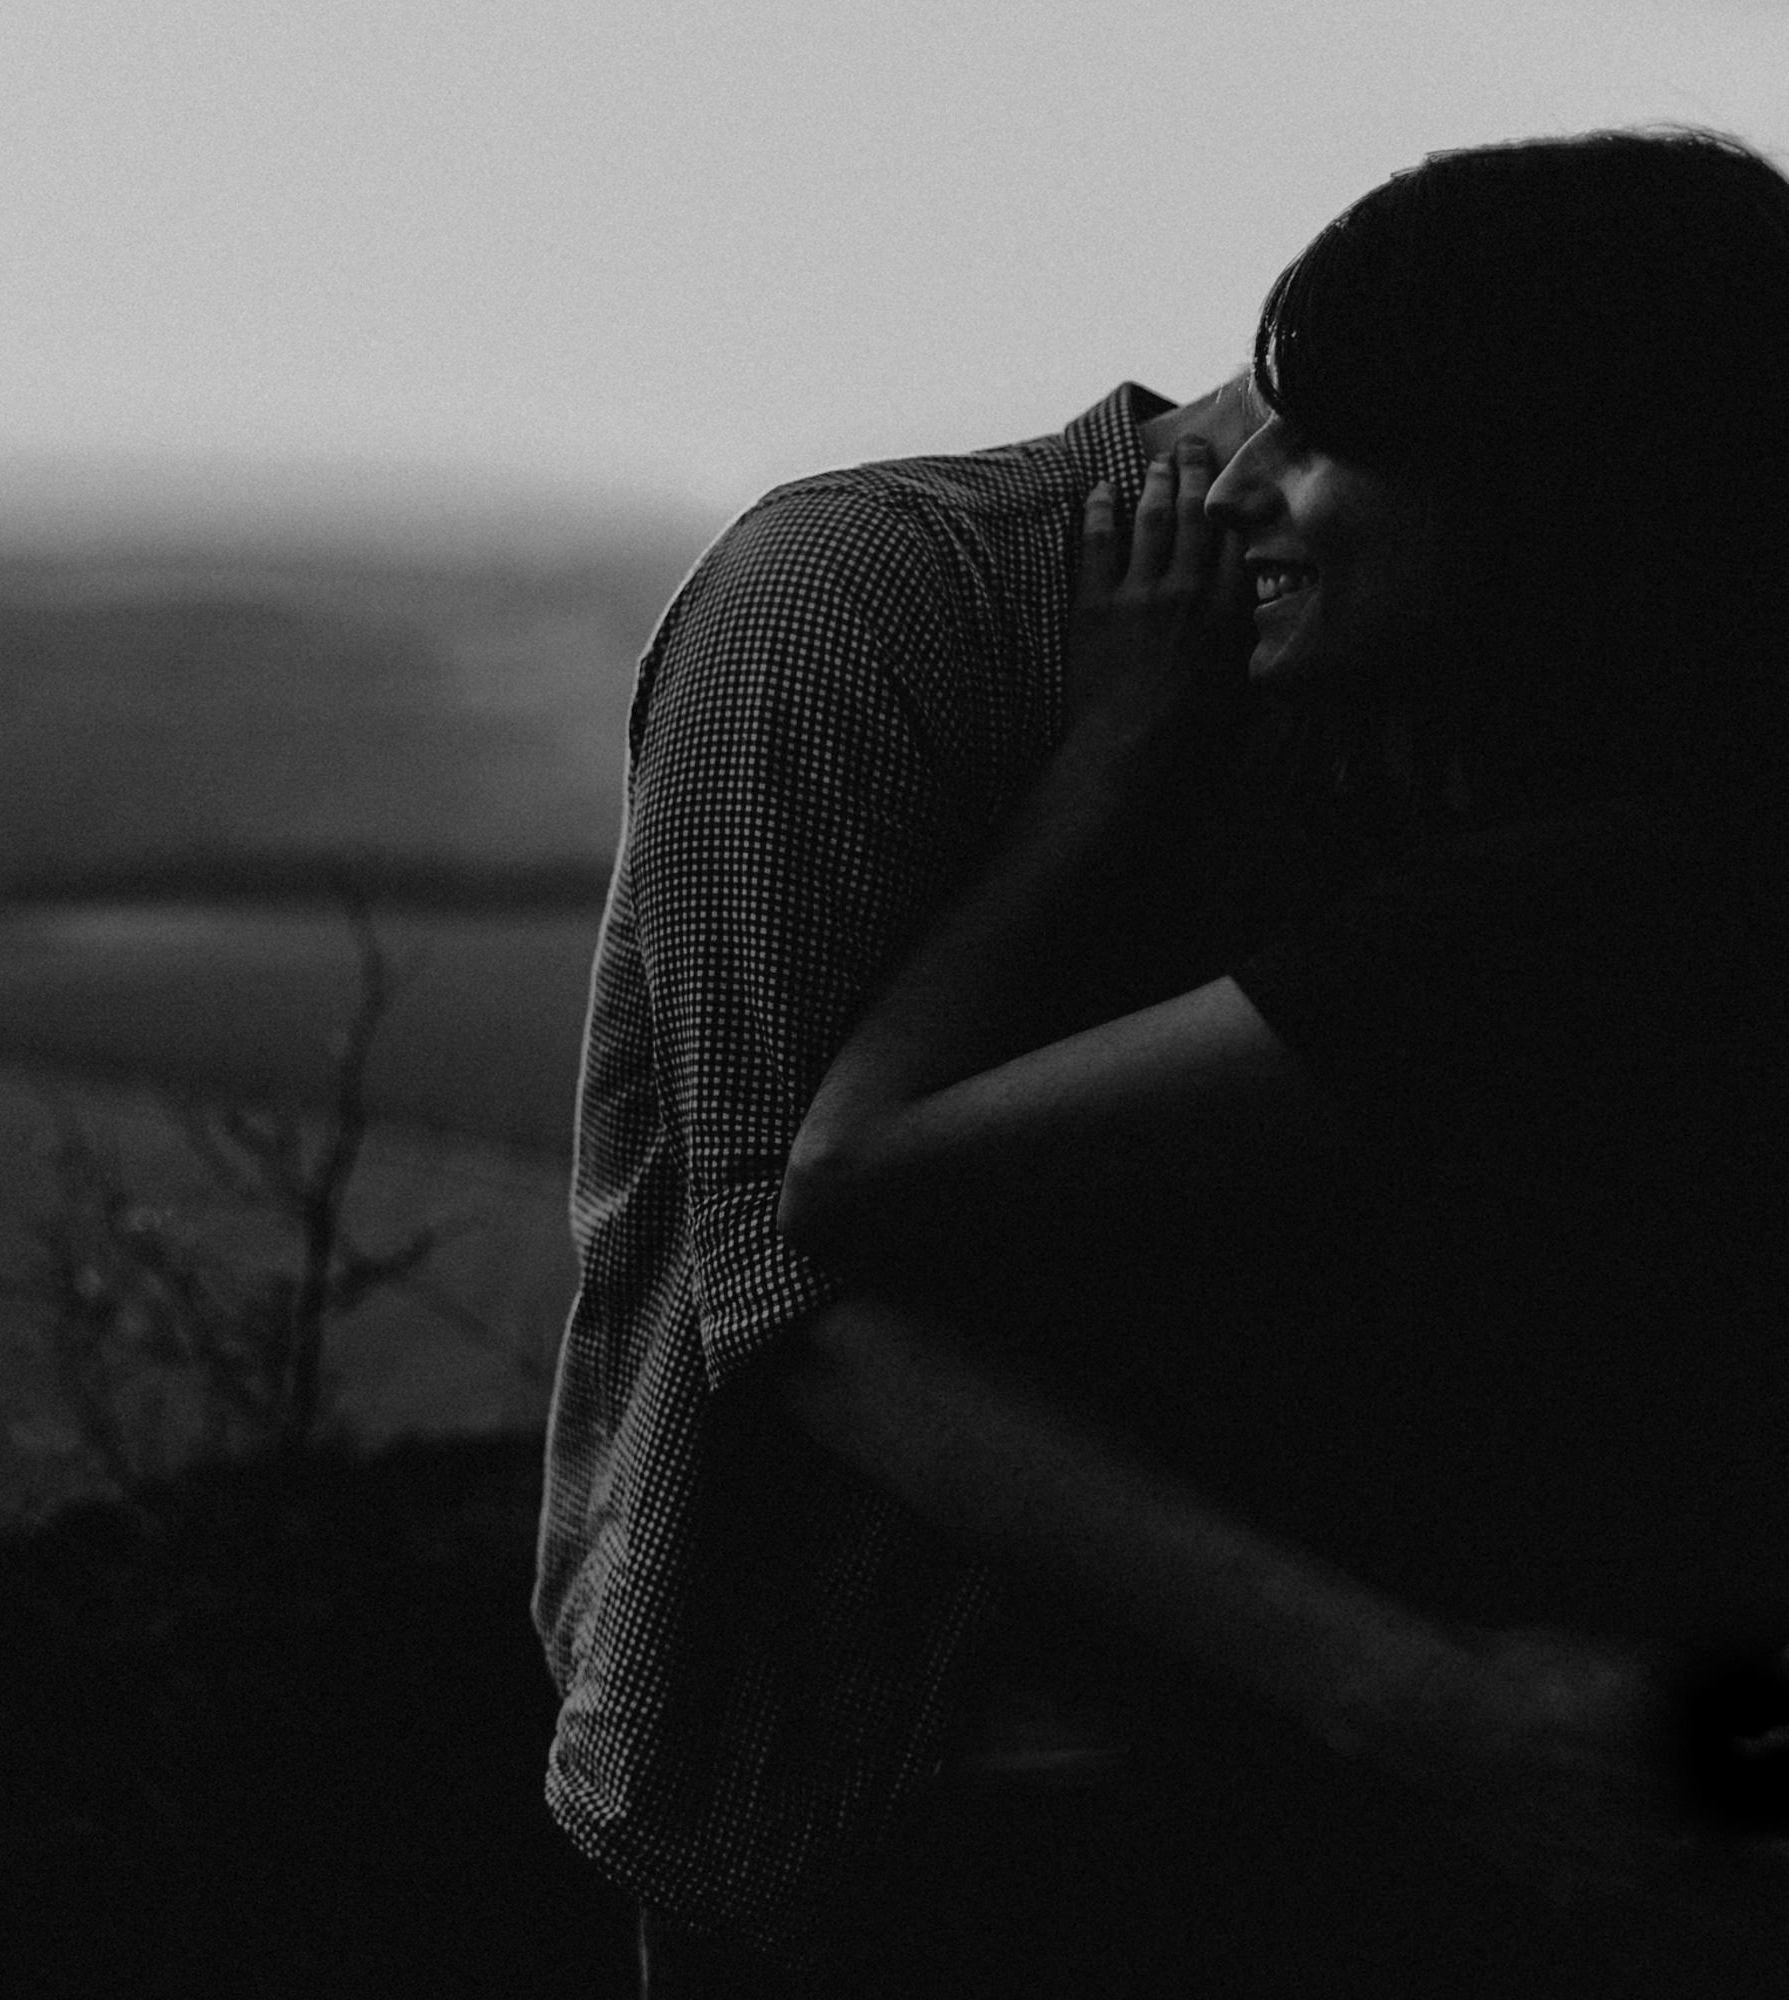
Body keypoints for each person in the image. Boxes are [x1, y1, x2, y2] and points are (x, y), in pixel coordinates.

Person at [774, 127, 1789, 1991]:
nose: (1234, 482)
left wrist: (1114, 756)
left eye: (1322, 443)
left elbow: (849, 1187)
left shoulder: (1579, 915)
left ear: (1550, 500)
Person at [529, 308, 1269, 1987]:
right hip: (845, 1760)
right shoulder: (854, 603)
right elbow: (783, 1273)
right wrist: (1415, 1693)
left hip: (1225, 1763)